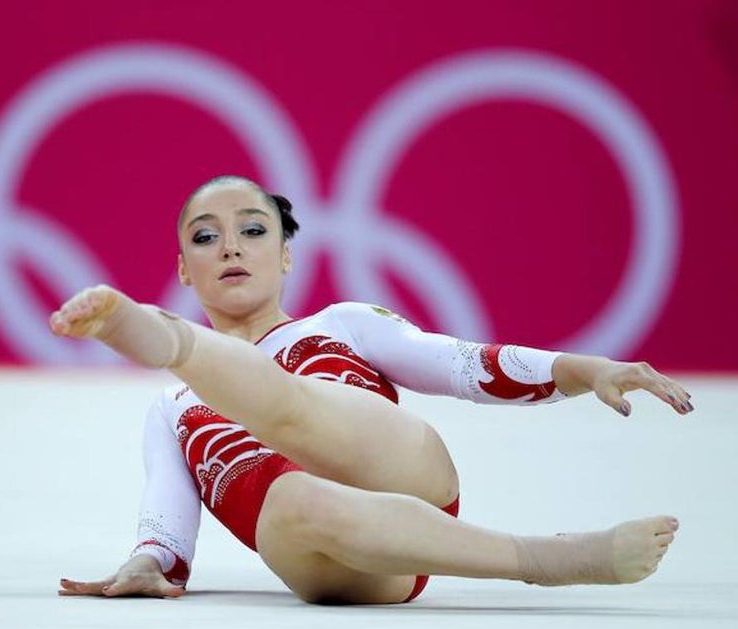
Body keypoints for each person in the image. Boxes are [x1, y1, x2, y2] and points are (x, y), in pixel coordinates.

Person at [51, 175, 689, 605]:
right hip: (340, 553)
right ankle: (550, 558)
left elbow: (467, 365)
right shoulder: (171, 412)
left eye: (252, 229)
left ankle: (159, 336)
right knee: (294, 497)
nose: (230, 248)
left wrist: (587, 369)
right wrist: (146, 563)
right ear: (184, 270)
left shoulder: (344, 325)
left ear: (286, 255)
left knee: (296, 411)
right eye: (205, 237)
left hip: (399, 471)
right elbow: (165, 532)